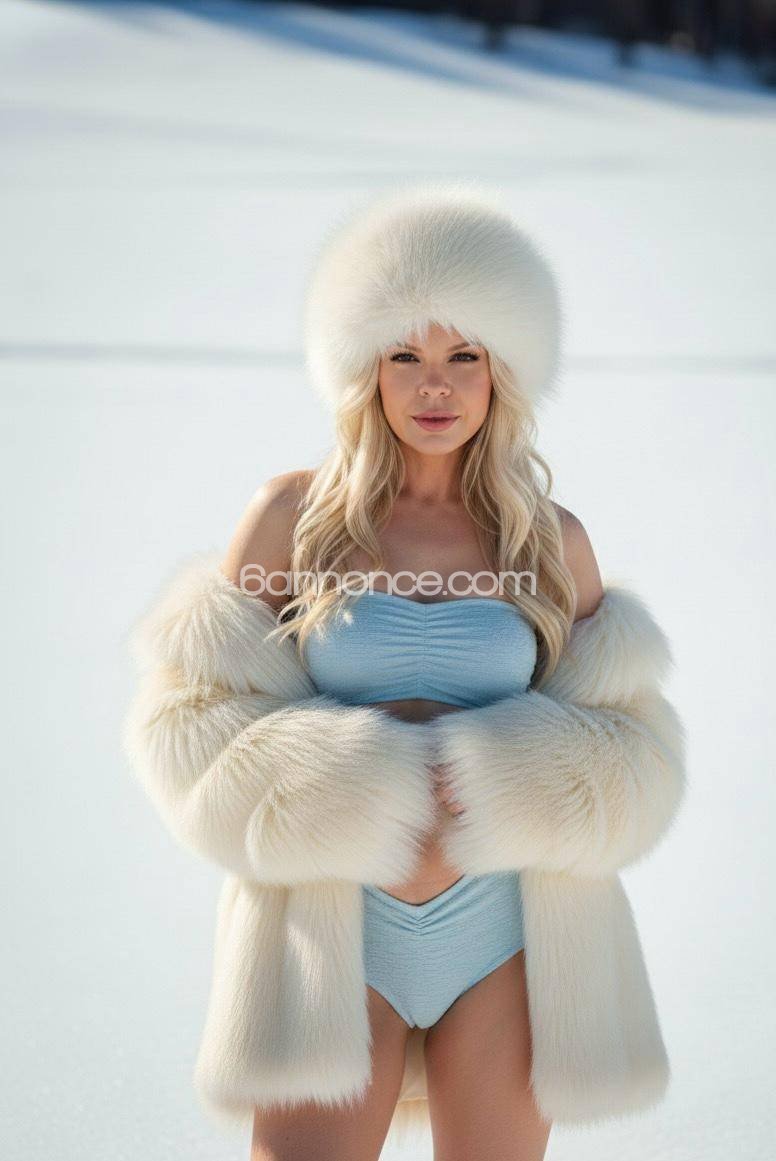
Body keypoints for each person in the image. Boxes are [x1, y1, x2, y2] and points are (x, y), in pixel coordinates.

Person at [122, 182, 686, 1161]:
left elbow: (629, 751)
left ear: (501, 372)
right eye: (405, 357)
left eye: (464, 356)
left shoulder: (549, 542)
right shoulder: (291, 520)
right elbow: (194, 724)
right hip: (330, 928)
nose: (436, 387)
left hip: (506, 931)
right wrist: (366, 790)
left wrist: (494, 783)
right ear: (364, 369)